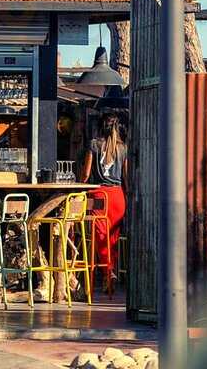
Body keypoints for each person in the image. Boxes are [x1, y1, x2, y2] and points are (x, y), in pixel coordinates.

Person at [81, 112, 128, 291]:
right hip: (118, 196)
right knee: (112, 238)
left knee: (100, 236)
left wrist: (79, 186)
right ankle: (109, 275)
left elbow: (86, 174)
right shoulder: (123, 148)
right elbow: (126, 176)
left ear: (100, 126)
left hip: (99, 195)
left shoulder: (94, 144)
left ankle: (108, 271)